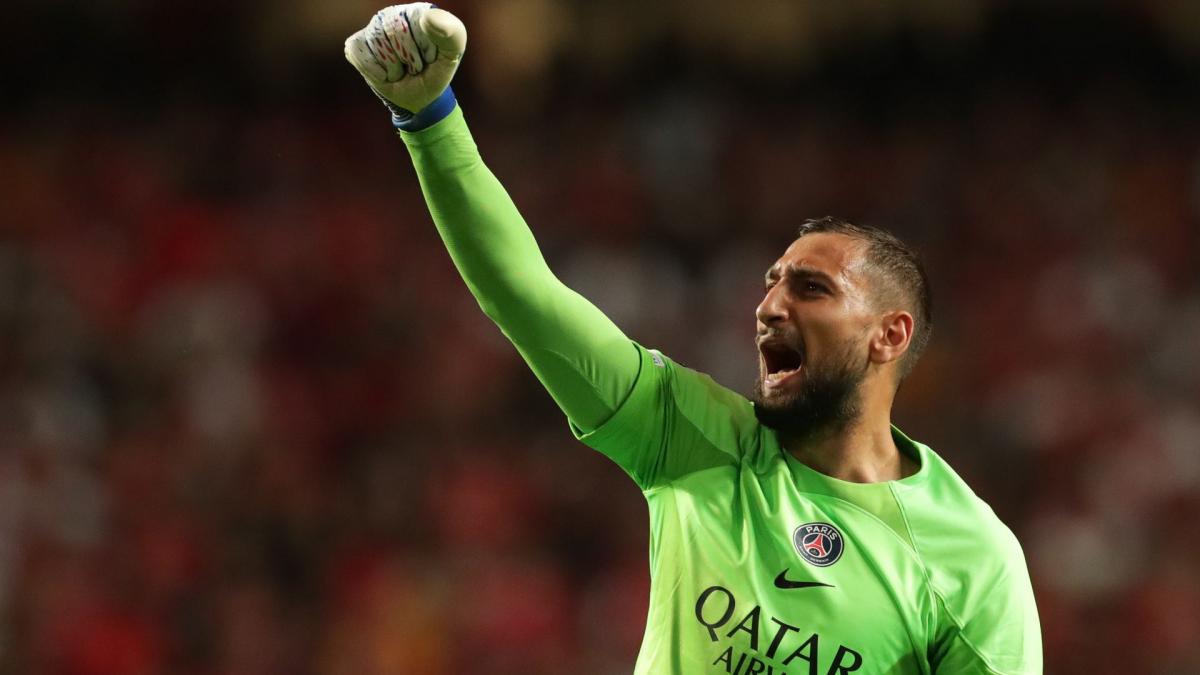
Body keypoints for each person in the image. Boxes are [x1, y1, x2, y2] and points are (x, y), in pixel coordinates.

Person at [344, 5, 1042, 673]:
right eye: (772, 282)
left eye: (810, 288)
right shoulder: (694, 436)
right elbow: (525, 296)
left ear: (890, 334)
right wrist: (430, 120)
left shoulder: (972, 559)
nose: (768, 305)